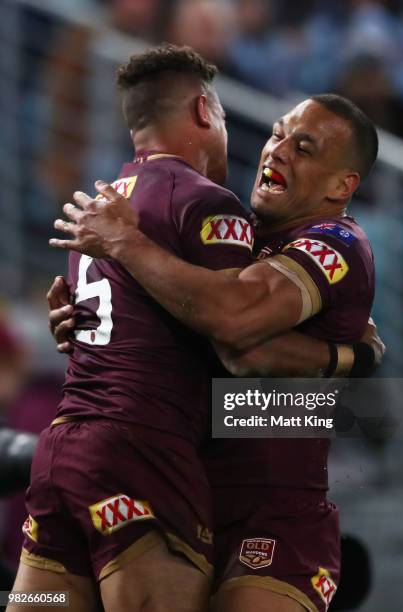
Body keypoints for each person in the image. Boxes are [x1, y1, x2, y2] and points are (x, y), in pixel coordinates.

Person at [11, 45, 364, 612]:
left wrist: (346, 371)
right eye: (275, 134)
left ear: (342, 185)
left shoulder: (107, 213)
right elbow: (235, 339)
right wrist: (346, 359)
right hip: (152, 466)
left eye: (303, 148)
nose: (274, 151)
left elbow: (238, 336)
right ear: (205, 112)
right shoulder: (196, 209)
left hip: (244, 505)